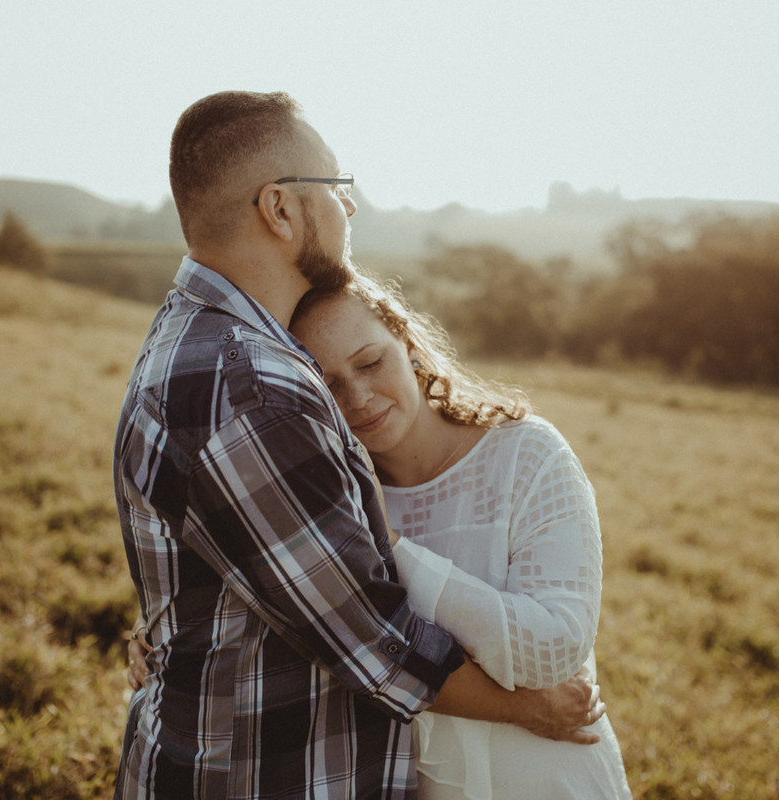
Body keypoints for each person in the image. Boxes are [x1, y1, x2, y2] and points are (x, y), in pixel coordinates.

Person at [114, 90, 604, 800]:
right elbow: (369, 637)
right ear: (280, 208)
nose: (348, 208)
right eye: (336, 187)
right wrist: (525, 707)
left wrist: (168, 632)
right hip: (254, 776)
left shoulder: (187, 338)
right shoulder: (253, 385)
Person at [284, 273, 633, 799]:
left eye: (370, 362)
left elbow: (554, 650)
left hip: (550, 778)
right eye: (327, 383)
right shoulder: (325, 501)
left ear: (408, 345)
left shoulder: (527, 455)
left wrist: (394, 545)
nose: (356, 396)